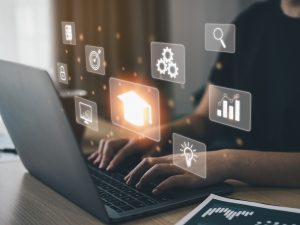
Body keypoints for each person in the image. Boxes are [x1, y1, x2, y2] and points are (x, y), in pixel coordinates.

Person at [89, 0, 300, 195]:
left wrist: (228, 161)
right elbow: (206, 119)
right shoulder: (251, 21)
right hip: (240, 189)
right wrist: (157, 134)